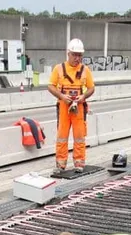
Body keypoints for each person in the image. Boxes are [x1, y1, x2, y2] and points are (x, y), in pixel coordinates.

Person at [49, 39, 96, 175]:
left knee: (79, 136)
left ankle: (79, 163)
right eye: (74, 55)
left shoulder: (85, 70)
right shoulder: (58, 69)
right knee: (62, 136)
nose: (77, 58)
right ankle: (60, 164)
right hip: (64, 106)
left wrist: (83, 97)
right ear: (68, 54)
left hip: (79, 107)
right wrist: (62, 97)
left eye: (80, 55)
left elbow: (91, 88)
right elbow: (50, 86)